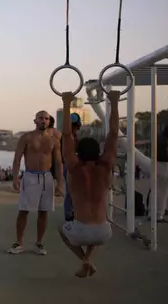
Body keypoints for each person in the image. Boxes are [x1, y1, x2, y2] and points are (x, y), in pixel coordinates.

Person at [58, 91, 117, 278]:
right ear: (98, 152)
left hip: (80, 231)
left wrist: (66, 103)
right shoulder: (106, 165)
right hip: (103, 232)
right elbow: (114, 134)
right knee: (97, 232)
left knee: (62, 229)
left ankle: (85, 260)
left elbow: (66, 134)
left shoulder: (74, 167)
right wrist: (114, 102)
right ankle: (89, 259)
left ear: (78, 153)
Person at [8, 110, 63, 256]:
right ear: (35, 121)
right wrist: (15, 178)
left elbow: (58, 162)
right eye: (40, 118)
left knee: (43, 211)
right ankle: (19, 242)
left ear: (48, 121)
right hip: (30, 176)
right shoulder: (26, 138)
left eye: (46, 118)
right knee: (24, 210)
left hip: (46, 177)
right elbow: (17, 158)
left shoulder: (54, 141)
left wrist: (60, 183)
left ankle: (39, 243)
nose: (43, 121)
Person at [150, 123, 168, 223]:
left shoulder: (158, 137)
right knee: (162, 191)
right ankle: (159, 215)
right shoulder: (164, 140)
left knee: (156, 190)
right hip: (162, 166)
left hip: (157, 165)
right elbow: (162, 156)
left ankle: (153, 213)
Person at [63, 113, 82, 221]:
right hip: (70, 165)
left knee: (72, 191)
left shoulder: (71, 136)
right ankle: (69, 214)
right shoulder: (69, 136)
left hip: (70, 164)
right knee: (71, 191)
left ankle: (71, 212)